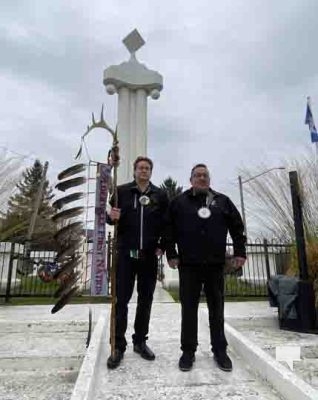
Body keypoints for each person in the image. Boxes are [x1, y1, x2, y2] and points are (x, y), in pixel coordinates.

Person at [165, 163, 246, 372]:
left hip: (215, 265)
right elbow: (168, 230)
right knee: (188, 309)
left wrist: (240, 252)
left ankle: (220, 350)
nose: (202, 178)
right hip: (189, 265)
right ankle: (188, 351)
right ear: (191, 179)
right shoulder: (179, 202)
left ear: (209, 180)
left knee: (217, 309)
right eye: (197, 176)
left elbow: (237, 227)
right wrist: (171, 254)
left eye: (205, 176)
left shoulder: (222, 201)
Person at [106, 156, 169, 369]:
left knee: (145, 300)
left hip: (149, 256)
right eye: (140, 168)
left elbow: (166, 223)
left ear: (151, 172)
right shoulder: (121, 191)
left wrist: (163, 244)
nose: (144, 171)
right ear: (134, 171)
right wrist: (111, 216)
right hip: (125, 255)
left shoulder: (160, 195)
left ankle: (140, 341)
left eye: (147, 168)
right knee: (121, 300)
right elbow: (111, 218)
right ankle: (118, 345)